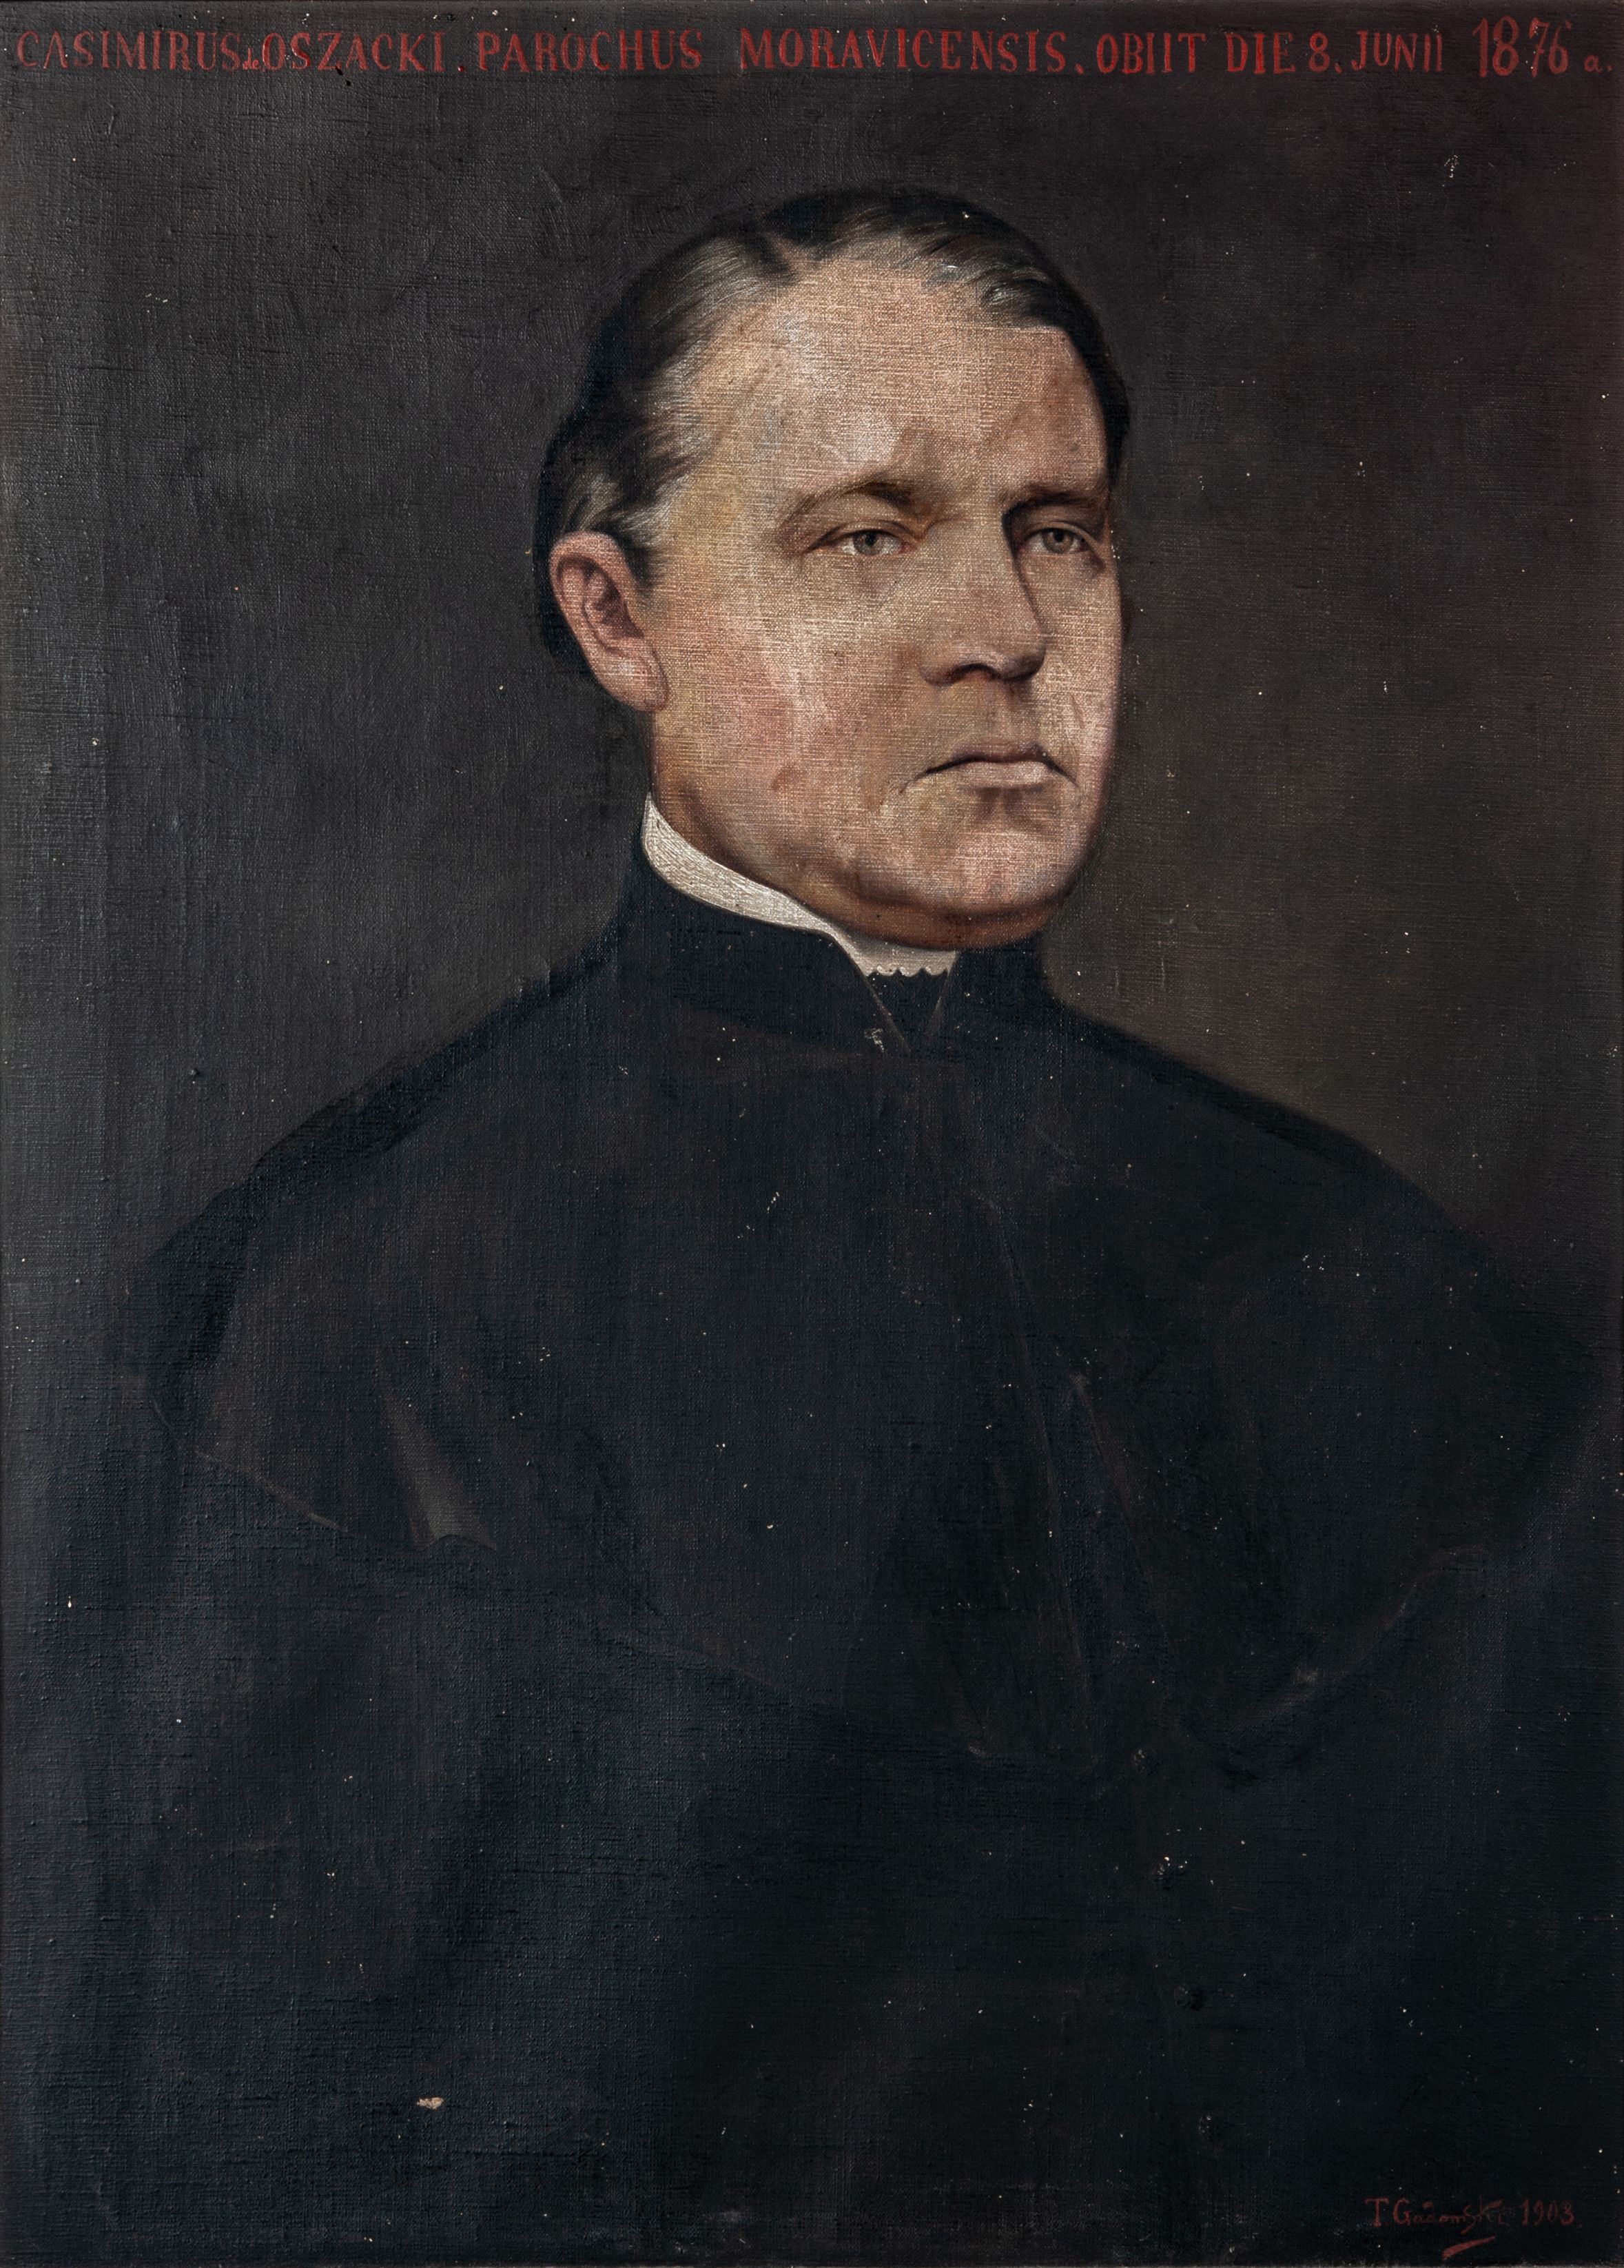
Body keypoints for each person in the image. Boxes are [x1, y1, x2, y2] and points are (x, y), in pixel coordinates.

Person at [33, 189, 1603, 2263]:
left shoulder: (1369, 1284)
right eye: (870, 539)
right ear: (621, 620)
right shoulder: (322, 1307)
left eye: (1059, 531)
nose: (1007, 631)